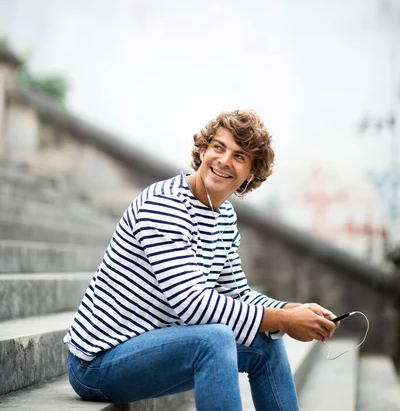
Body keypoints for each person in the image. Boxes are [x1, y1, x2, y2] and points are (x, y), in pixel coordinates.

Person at [63, 109, 338, 410]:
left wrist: (292, 311)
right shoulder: (165, 204)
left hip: (154, 345)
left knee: (265, 341)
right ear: (203, 150)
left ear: (251, 174)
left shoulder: (223, 215)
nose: (223, 161)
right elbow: (192, 305)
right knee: (214, 340)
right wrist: (285, 320)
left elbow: (237, 295)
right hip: (98, 363)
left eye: (239, 156)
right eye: (218, 147)